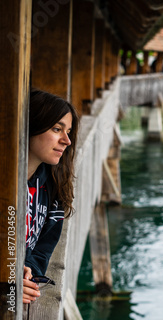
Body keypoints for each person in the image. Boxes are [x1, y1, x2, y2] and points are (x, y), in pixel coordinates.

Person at [23, 89, 79, 304]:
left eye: (69, 132)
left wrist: (28, 276)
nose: (67, 141)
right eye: (57, 129)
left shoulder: (53, 186)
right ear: (31, 126)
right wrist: (9, 279)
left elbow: (43, 249)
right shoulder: (6, 188)